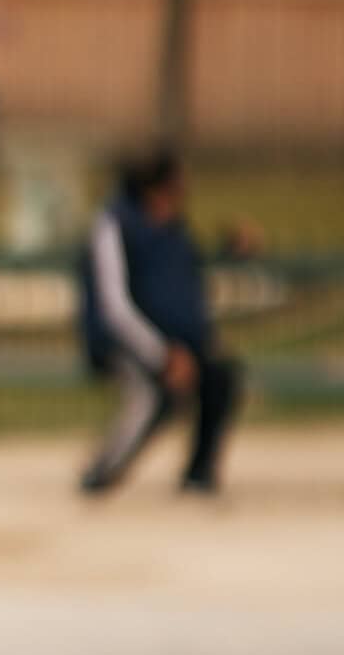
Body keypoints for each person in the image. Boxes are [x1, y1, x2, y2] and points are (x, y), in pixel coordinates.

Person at [78, 147, 243, 495]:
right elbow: (115, 306)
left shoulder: (174, 228)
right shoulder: (114, 224)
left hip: (177, 342)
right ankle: (102, 471)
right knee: (154, 394)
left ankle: (198, 475)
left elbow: (184, 278)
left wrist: (231, 249)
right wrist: (163, 355)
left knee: (220, 375)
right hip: (126, 342)